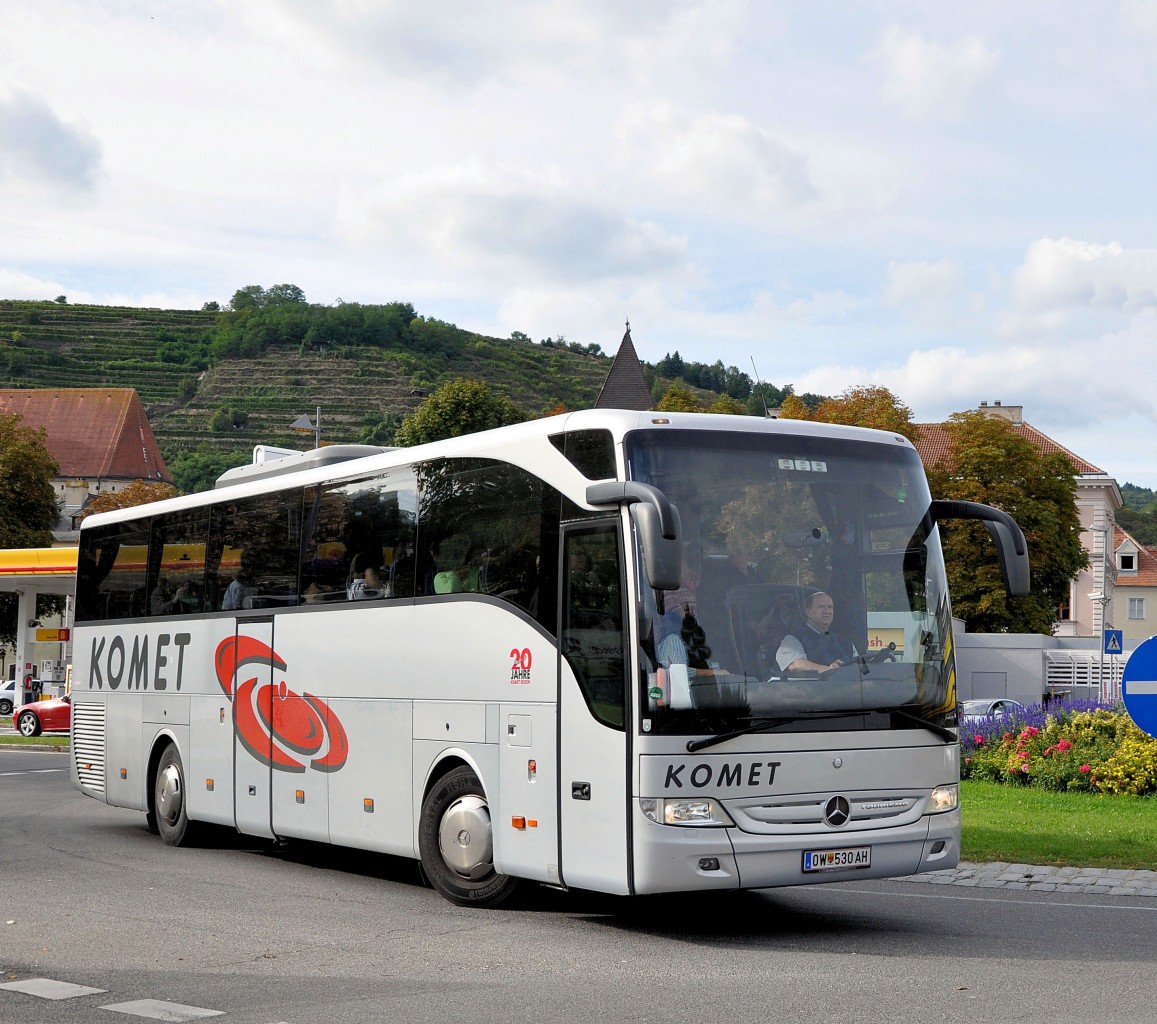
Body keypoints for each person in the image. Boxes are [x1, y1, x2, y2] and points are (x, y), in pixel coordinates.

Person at [775, 591, 858, 673]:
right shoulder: (792, 640)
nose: (827, 611)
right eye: (821, 607)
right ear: (808, 611)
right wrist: (828, 670)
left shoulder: (846, 644)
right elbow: (796, 665)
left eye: (830, 607)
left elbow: (864, 671)